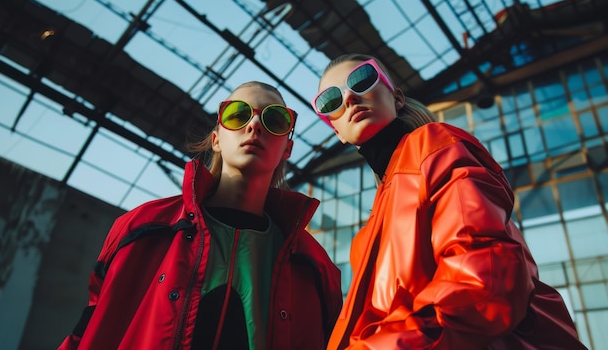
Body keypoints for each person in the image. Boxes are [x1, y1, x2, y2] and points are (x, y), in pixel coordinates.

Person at [312, 53, 587, 350]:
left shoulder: (435, 146)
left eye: (361, 80)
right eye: (331, 102)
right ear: (337, 131)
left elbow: (481, 281)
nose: (350, 97)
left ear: (397, 98)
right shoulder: (366, 236)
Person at [58, 81, 343, 350]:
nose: (254, 125)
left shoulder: (313, 265)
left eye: (276, 120)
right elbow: (88, 330)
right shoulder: (142, 227)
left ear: (287, 149)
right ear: (216, 140)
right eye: (237, 114)